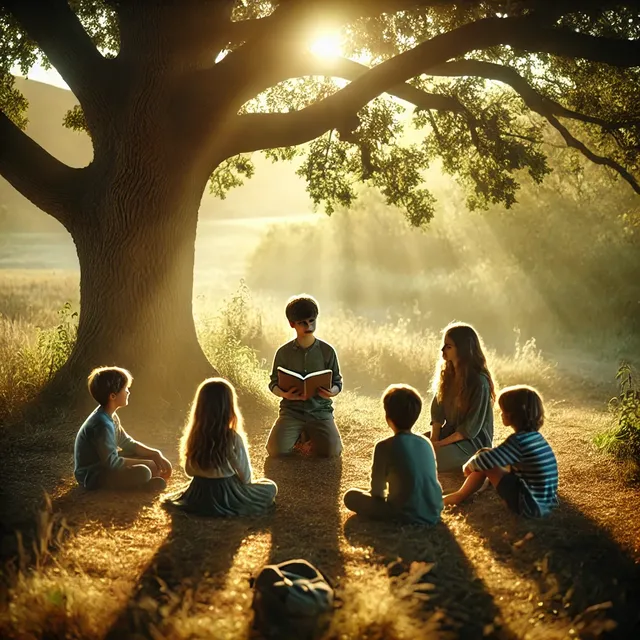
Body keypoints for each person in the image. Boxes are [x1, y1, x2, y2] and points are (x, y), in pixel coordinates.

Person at [167, 377, 277, 516]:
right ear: (229, 408)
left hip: (199, 492)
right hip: (227, 491)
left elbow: (189, 472)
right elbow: (246, 479)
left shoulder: (195, 435)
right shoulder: (233, 437)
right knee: (270, 487)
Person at [444, 385, 558, 517]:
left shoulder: (518, 441)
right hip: (546, 503)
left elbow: (486, 459)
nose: (501, 414)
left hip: (527, 505)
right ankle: (478, 485)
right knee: (488, 452)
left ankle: (460, 496)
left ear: (510, 416)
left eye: (503, 411)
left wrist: (469, 465)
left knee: (483, 456)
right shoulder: (536, 438)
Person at [343, 384, 443, 524]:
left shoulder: (384, 446)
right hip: (433, 512)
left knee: (350, 496)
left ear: (387, 417)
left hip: (402, 515)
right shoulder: (426, 442)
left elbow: (377, 492)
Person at [266, 294, 343, 457]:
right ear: (292, 324)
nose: (308, 326)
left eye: (312, 321)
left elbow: (337, 382)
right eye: (303, 323)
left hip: (320, 411)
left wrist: (332, 391)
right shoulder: (283, 352)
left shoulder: (327, 351)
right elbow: (273, 383)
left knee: (332, 451)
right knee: (275, 450)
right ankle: (300, 436)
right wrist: (284, 394)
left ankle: (309, 435)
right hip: (291, 411)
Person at [74, 366, 172, 492]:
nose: (128, 392)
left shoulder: (111, 416)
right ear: (113, 396)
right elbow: (112, 463)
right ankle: (142, 485)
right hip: (92, 475)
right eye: (125, 389)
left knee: (147, 463)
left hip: (104, 465)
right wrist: (147, 464)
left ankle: (143, 481)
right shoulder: (102, 424)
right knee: (144, 471)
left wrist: (154, 454)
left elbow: (127, 443)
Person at [430, 323, 495, 472]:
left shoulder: (480, 382)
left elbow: (468, 430)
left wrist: (439, 446)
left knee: (429, 458)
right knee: (412, 447)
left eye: (448, 346)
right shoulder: (447, 375)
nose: (442, 350)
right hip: (447, 435)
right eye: (443, 345)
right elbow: (437, 414)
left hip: (471, 443)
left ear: (463, 350)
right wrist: (434, 440)